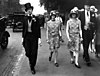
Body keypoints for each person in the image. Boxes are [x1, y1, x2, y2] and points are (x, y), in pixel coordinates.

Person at [22, 3, 41, 74]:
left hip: (34, 37)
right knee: (28, 52)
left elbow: (38, 29)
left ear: (32, 10)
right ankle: (30, 60)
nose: (29, 11)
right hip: (27, 37)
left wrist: (39, 38)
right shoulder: (24, 18)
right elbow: (24, 29)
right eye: (28, 10)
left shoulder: (36, 18)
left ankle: (32, 66)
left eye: (30, 9)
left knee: (34, 52)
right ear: (26, 11)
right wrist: (22, 38)